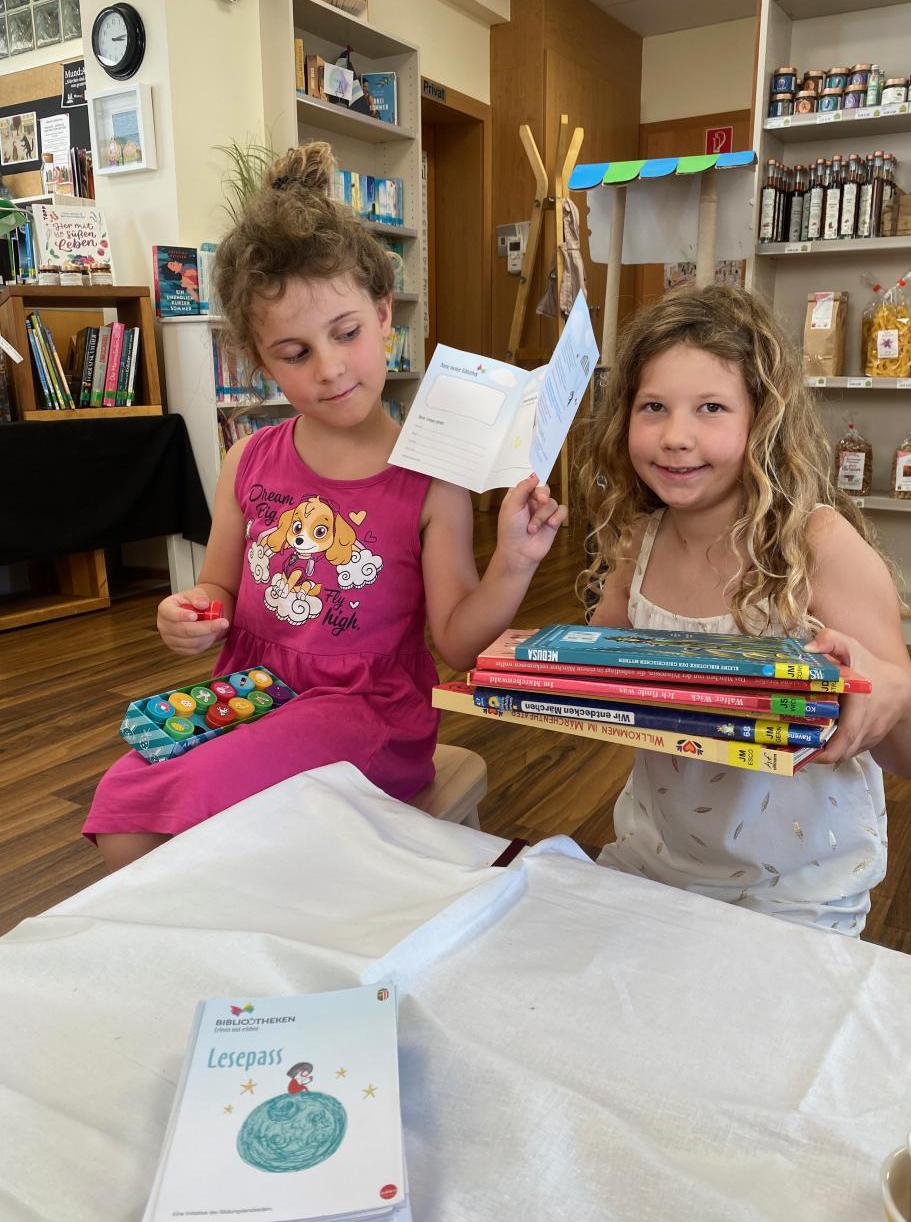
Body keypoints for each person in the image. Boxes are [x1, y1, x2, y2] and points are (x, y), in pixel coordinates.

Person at [84, 140, 566, 870]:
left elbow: (459, 644)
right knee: (126, 805)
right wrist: (189, 614)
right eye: (295, 352)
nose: (331, 368)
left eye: (346, 334)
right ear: (257, 357)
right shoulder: (249, 460)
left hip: (367, 718)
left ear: (383, 317)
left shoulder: (433, 478)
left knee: (192, 813)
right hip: (252, 696)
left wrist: (514, 562)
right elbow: (219, 587)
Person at [580, 285, 911, 935]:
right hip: (655, 854)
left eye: (711, 407)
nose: (675, 436)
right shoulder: (641, 540)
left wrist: (896, 696)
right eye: (653, 406)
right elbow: (606, 664)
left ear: (763, 420)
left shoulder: (819, 546)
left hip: (798, 885)